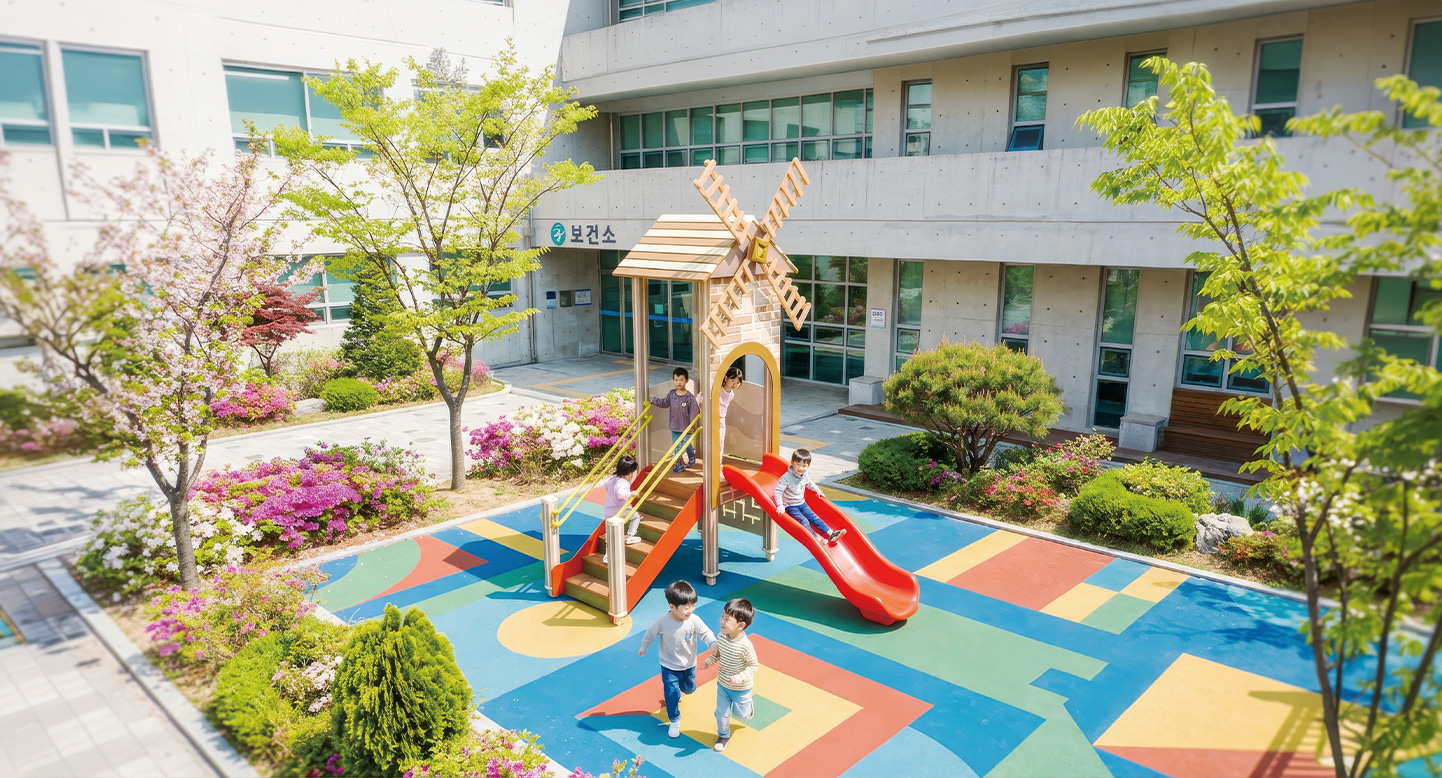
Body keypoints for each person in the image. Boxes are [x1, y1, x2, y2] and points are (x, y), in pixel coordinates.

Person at [638, 580, 716, 738]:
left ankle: (682, 691)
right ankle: (674, 720)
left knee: (689, 688)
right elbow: (650, 633)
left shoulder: (694, 620)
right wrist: (644, 646)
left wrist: (712, 643)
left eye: (693, 605)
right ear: (672, 607)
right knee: (671, 693)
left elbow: (705, 632)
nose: (691, 610)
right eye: (686, 607)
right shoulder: (662, 621)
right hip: (669, 666)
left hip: (689, 664)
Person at [703, 598, 758, 752]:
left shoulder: (745, 646)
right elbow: (718, 654)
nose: (722, 621)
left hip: (741, 688)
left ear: (741, 626)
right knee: (721, 713)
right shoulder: (721, 637)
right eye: (722, 616)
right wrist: (709, 661)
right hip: (723, 684)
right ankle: (723, 736)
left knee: (740, 715)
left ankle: (748, 709)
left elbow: (753, 665)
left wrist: (739, 677)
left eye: (727, 619)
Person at [772, 448, 846, 544]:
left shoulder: (804, 475)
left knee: (814, 517)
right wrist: (780, 505)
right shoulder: (786, 477)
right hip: (790, 505)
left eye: (804, 466)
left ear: (808, 466)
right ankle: (816, 538)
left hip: (802, 503)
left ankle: (831, 533)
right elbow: (778, 492)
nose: (800, 468)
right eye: (798, 464)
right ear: (792, 463)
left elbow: (809, 483)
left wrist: (818, 490)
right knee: (804, 520)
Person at [650, 367, 699, 473]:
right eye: (676, 380)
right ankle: (685, 461)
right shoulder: (672, 394)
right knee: (679, 446)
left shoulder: (689, 397)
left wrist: (692, 425)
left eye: (681, 380)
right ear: (673, 380)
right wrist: (653, 400)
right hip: (675, 426)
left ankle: (684, 462)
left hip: (686, 427)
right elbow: (664, 403)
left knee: (683, 445)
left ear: (687, 380)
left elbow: (694, 411)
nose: (679, 382)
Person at [602, 455, 642, 545]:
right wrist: (630, 494)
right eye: (631, 473)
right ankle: (630, 535)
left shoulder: (613, 478)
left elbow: (606, 485)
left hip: (609, 509)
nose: (632, 476)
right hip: (619, 510)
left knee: (614, 526)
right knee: (635, 517)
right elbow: (621, 495)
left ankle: (610, 539)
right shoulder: (622, 483)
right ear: (629, 473)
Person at [717, 366, 743, 456]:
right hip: (713, 418)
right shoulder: (718, 390)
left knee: (720, 442)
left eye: (737, 382)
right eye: (732, 380)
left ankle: (718, 461)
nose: (734, 384)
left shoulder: (731, 394)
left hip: (721, 421)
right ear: (726, 378)